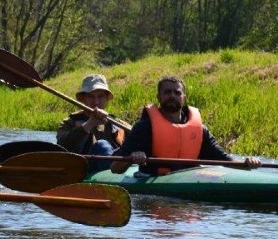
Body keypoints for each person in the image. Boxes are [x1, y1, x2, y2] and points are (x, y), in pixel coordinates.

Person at [111, 75, 260, 176]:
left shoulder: (200, 130)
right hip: (150, 180)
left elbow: (224, 159)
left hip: (187, 179)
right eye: (167, 92)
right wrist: (131, 158)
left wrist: (246, 163)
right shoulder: (144, 128)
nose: (172, 96)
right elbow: (115, 168)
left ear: (184, 97)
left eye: (177, 93)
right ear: (159, 97)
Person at [56, 74, 126, 173]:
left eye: (100, 96)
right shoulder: (69, 123)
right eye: (90, 96)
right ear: (83, 98)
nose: (96, 102)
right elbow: (61, 147)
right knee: (102, 145)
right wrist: (89, 124)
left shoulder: (117, 123)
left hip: (114, 169)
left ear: (106, 98)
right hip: (82, 170)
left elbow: (137, 139)